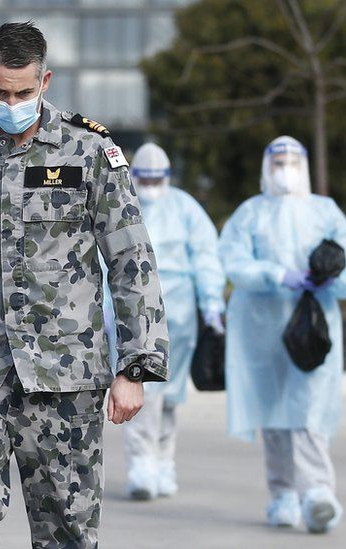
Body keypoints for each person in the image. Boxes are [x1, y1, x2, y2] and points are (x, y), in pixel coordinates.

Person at [0, 22, 168, 548]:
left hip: (66, 371)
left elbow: (130, 259)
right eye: (0, 91)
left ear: (45, 80)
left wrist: (136, 367)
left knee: (66, 534)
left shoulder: (89, 152)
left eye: (24, 91)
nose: (12, 102)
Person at [218, 135, 346, 534]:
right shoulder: (250, 212)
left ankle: (317, 492)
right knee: (273, 414)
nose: (285, 169)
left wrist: (329, 279)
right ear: (267, 167)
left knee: (309, 408)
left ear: (305, 165)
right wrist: (277, 275)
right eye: (278, 161)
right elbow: (232, 261)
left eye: (292, 161)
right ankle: (283, 493)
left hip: (313, 327)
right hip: (261, 328)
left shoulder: (326, 211)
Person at [114, 143, 225, 500]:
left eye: (156, 179)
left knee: (171, 395)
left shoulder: (185, 209)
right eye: (143, 179)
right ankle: (142, 463)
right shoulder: (119, 205)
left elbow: (206, 256)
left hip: (179, 315)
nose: (149, 186)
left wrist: (211, 303)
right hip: (135, 316)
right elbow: (102, 264)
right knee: (143, 388)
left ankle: (164, 462)